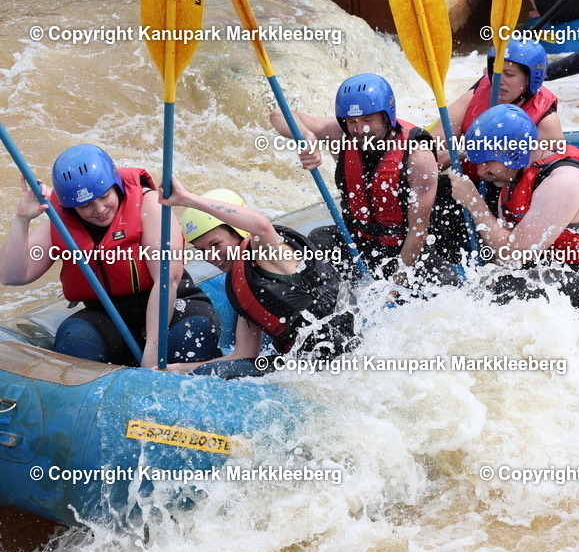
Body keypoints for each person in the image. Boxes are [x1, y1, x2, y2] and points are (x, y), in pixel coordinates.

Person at [0, 145, 220, 367]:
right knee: (75, 338)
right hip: (110, 315)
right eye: (85, 205)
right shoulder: (62, 223)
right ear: (70, 206)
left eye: (104, 196)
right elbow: (12, 276)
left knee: (189, 336)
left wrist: (152, 356)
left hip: (175, 305)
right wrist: (22, 219)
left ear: (117, 186)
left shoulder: (149, 204)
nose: (99, 209)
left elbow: (167, 280)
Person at [448, 105, 579, 311]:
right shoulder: (515, 176)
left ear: (514, 153)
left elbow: (510, 257)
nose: (481, 170)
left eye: (487, 162)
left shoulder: (563, 182)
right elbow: (505, 252)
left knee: (502, 290)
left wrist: (474, 204)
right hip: (569, 265)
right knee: (486, 284)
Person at [160, 181, 355, 376]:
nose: (210, 257)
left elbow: (261, 225)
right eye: (202, 250)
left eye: (215, 245)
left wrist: (188, 199)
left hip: (343, 351)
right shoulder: (240, 284)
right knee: (213, 371)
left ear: (240, 231)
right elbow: (243, 355)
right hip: (305, 362)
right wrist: (177, 369)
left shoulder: (268, 252)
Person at [268, 74, 449, 281]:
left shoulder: (418, 153)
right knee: (320, 239)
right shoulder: (340, 135)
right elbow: (277, 114)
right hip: (358, 243)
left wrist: (396, 285)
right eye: (352, 121)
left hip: (404, 251)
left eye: (368, 120)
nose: (359, 129)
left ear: (386, 116)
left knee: (441, 282)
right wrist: (307, 136)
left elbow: (419, 230)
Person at [431, 39, 564, 182]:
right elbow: (431, 148)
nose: (499, 80)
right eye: (496, 72)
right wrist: (465, 152)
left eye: (509, 74)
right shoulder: (474, 96)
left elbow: (546, 180)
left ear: (530, 79)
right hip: (466, 183)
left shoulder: (547, 121)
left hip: (504, 189)